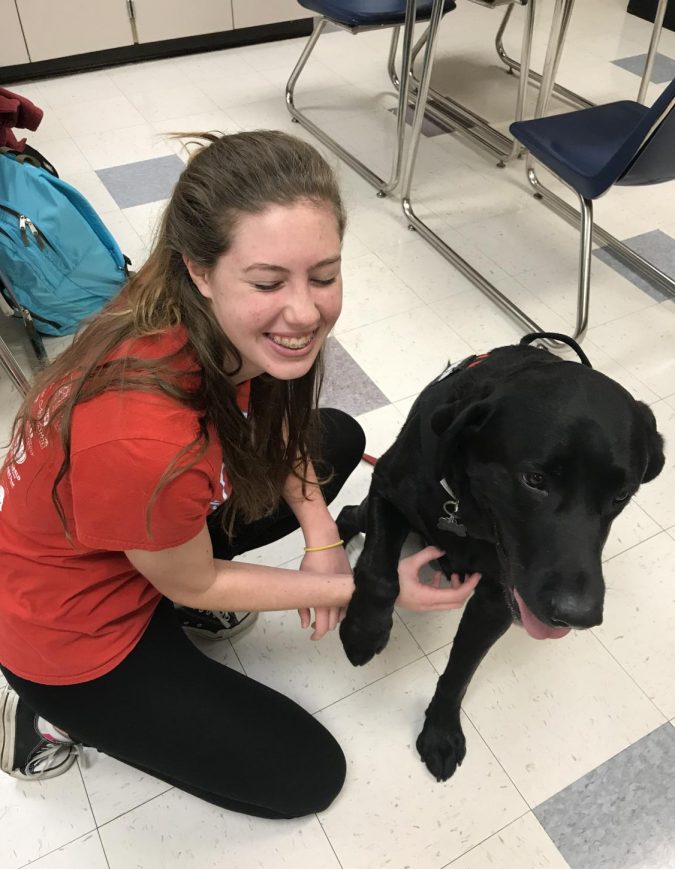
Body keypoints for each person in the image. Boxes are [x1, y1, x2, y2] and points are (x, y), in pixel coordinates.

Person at [0, 130, 480, 819]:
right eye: (267, 282)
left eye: (323, 274)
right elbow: (189, 575)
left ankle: (176, 611)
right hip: (74, 634)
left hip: (143, 543)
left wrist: (320, 540)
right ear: (200, 269)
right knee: (306, 776)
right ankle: (51, 715)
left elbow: (278, 420)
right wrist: (369, 586)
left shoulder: (203, 312)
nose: (305, 312)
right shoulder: (146, 437)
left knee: (334, 436)